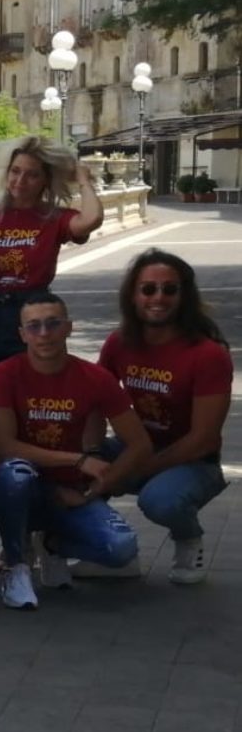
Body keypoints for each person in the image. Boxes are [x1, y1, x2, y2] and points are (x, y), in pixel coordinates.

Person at [0, 291, 152, 609]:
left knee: (121, 548)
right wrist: (78, 459)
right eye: (33, 326)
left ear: (69, 327)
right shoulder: (3, 374)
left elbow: (140, 444)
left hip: (73, 494)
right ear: (22, 334)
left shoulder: (95, 378)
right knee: (14, 474)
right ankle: (17, 566)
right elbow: (5, 446)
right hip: (25, 487)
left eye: (52, 324)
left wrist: (97, 488)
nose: (43, 334)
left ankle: (52, 544)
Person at [96, 249, 231, 584]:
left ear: (184, 296)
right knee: (73, 464)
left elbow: (204, 439)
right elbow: (93, 402)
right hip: (136, 448)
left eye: (170, 289)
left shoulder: (208, 354)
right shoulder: (119, 343)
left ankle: (188, 538)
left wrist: (133, 469)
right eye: (148, 289)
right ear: (133, 295)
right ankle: (108, 549)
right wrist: (87, 456)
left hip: (194, 461)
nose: (158, 297)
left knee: (159, 500)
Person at [0, 138, 103, 388]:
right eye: (15, 171)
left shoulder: (53, 217)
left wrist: (83, 179)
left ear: (46, 181)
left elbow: (92, 218)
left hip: (35, 320)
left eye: (32, 175)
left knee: (37, 400)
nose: (20, 181)